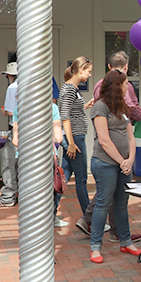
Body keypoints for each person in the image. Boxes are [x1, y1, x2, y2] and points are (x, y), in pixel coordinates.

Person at [80, 51, 141, 240]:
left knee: (120, 202)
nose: (129, 87)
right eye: (125, 84)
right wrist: (122, 162)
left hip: (122, 163)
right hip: (107, 162)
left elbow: (130, 135)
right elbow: (104, 139)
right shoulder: (101, 106)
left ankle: (123, 238)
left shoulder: (122, 107)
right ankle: (96, 242)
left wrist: (130, 160)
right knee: (104, 200)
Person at [57, 57, 93, 228]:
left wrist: (84, 106)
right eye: (88, 71)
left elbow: (70, 111)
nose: (89, 74)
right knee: (81, 180)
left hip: (75, 137)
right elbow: (65, 117)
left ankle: (49, 214)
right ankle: (89, 218)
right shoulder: (70, 89)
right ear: (80, 70)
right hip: (76, 139)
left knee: (63, 178)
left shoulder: (71, 88)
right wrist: (71, 143)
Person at [0, 61, 19, 207]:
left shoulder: (13, 87)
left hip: (17, 130)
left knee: (9, 163)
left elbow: (11, 112)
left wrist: (4, 111)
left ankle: (8, 196)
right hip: (34, 131)